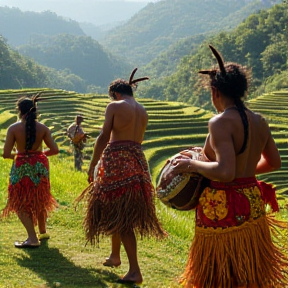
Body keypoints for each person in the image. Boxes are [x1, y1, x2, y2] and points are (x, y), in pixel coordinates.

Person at [172, 45, 288, 287]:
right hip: (253, 202)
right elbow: (274, 162)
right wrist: (243, 171)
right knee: (248, 273)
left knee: (218, 275)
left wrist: (190, 165)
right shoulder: (260, 121)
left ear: (215, 91)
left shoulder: (219, 123)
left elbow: (224, 173)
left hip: (222, 206)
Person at [76, 68, 167, 284]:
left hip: (117, 161)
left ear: (115, 94)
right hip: (138, 161)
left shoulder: (114, 106)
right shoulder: (142, 110)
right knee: (119, 210)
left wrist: (92, 166)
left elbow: (104, 136)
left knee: (121, 216)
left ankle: (134, 270)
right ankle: (115, 256)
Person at [2, 93, 59, 248]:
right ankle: (42, 231)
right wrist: (38, 155)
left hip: (21, 165)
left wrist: (21, 154)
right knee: (40, 197)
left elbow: (6, 154)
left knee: (20, 201)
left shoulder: (13, 129)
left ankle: (32, 238)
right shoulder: (43, 128)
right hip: (40, 165)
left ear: (19, 110)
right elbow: (54, 150)